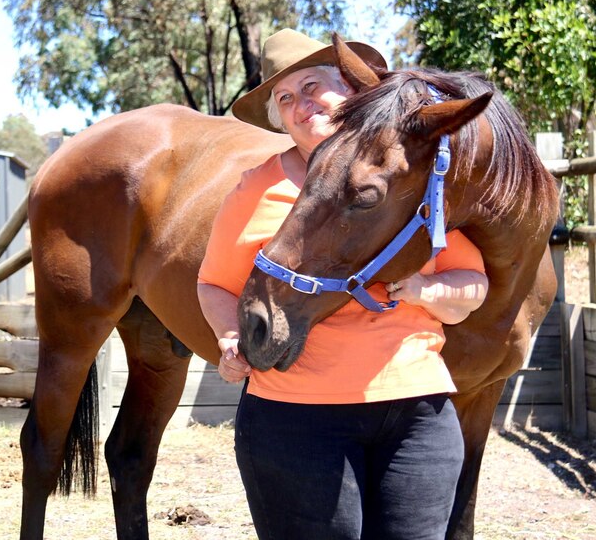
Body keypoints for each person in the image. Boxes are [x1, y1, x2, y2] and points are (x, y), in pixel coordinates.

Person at [196, 29, 490, 540]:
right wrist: (228, 337)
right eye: (284, 98)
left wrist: (424, 290)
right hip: (296, 417)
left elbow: (472, 288)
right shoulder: (254, 190)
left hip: (416, 415)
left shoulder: (405, 171)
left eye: (312, 85)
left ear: (353, 90)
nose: (299, 104)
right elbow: (214, 284)